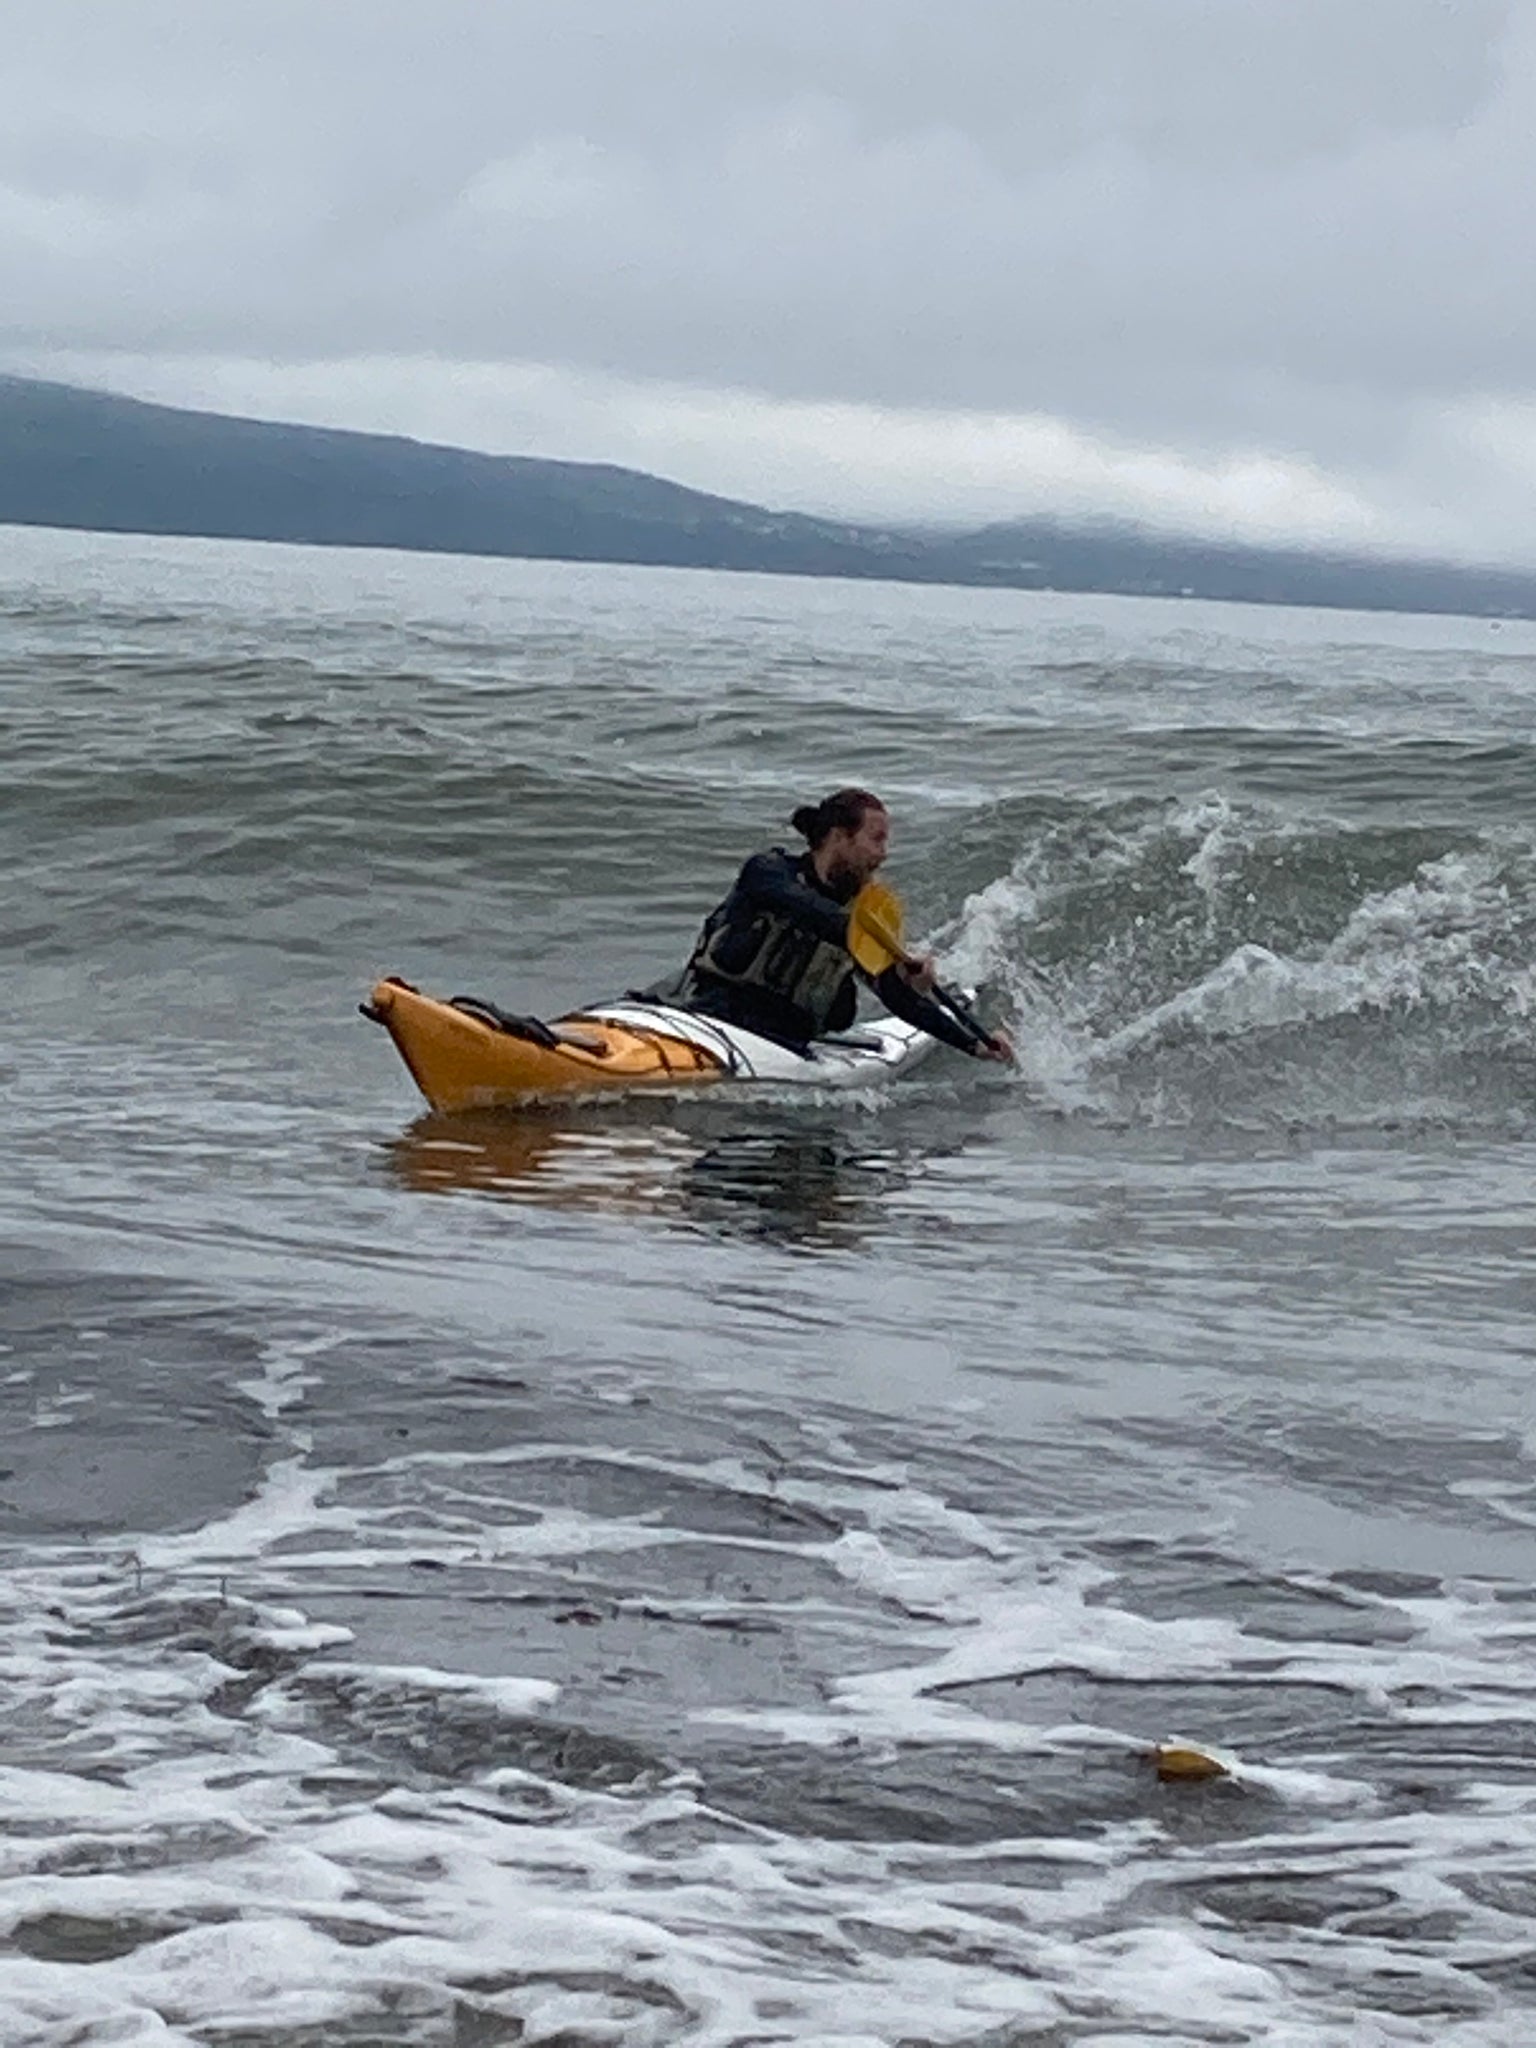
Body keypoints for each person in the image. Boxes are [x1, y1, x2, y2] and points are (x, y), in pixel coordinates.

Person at [671, 788, 1014, 1061]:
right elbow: (814, 912)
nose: (884, 853)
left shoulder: (863, 918)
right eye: (876, 839)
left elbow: (899, 1000)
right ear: (839, 838)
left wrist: (973, 1045)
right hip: (710, 1016)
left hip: (786, 1045)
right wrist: (893, 951)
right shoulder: (768, 873)